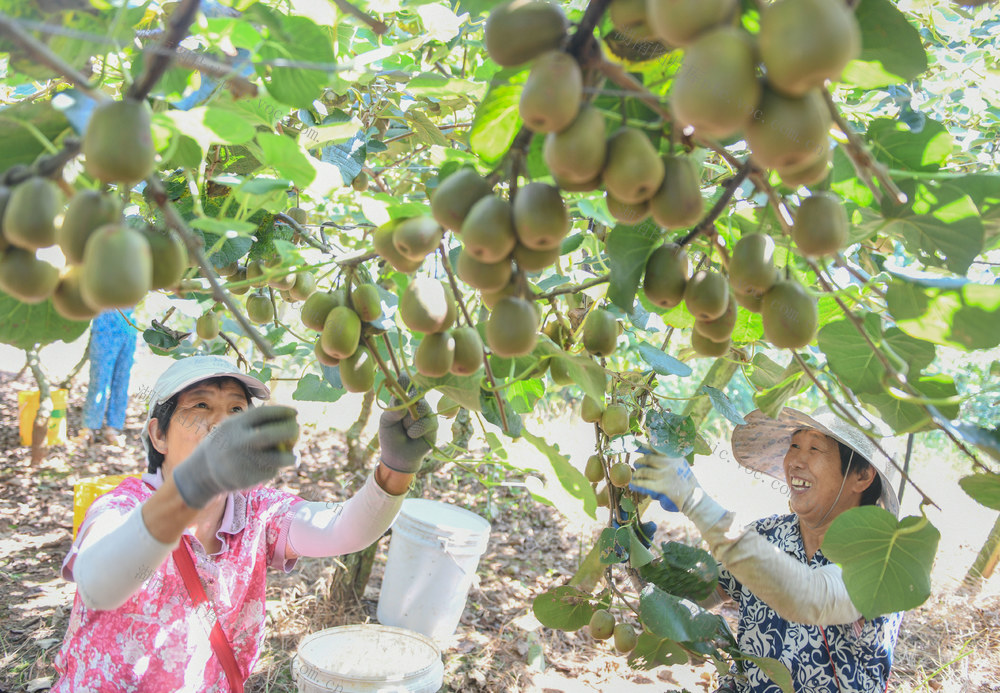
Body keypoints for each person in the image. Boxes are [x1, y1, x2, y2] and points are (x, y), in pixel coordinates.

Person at [53, 355, 437, 692]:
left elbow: (344, 530)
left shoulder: (256, 512)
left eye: (237, 411)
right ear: (158, 435)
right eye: (201, 405)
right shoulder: (121, 508)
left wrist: (395, 469)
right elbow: (102, 582)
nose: (222, 424)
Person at [631, 405, 902, 693]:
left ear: (862, 476)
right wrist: (632, 548)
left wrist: (692, 498)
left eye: (814, 449)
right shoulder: (768, 534)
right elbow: (677, 603)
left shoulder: (879, 558)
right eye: (794, 445)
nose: (796, 460)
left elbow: (812, 597)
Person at [74, 308, 138, 446]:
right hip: (104, 330)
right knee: (99, 381)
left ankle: (113, 429)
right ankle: (88, 429)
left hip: (129, 331)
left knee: (122, 382)